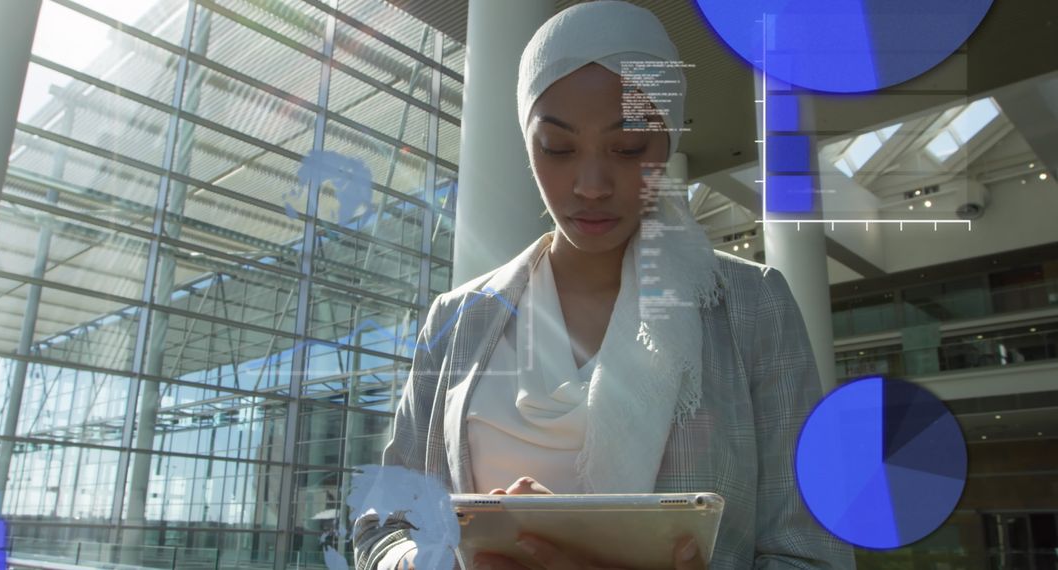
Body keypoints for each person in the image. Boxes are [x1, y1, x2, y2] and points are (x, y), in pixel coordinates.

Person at [352, 2, 856, 569]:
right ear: (527, 142)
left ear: (667, 142)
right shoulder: (457, 320)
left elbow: (814, 553)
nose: (590, 185)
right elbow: (384, 524)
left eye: (628, 147)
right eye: (558, 148)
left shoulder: (752, 307)